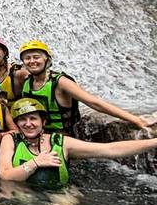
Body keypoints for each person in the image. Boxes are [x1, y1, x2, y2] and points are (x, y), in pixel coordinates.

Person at [0, 98, 157, 189]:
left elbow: (110, 149)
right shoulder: (10, 139)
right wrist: (35, 163)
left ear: (43, 121)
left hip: (58, 194)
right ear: (17, 123)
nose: (28, 124)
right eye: (23, 120)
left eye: (33, 118)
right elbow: (5, 176)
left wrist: (154, 142)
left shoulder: (62, 143)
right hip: (22, 192)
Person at [19, 39, 153, 135]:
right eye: (27, 58)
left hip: (62, 137)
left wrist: (136, 119)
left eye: (36, 57)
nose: (32, 61)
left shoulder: (61, 82)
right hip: (35, 136)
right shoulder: (26, 82)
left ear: (46, 60)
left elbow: (94, 102)